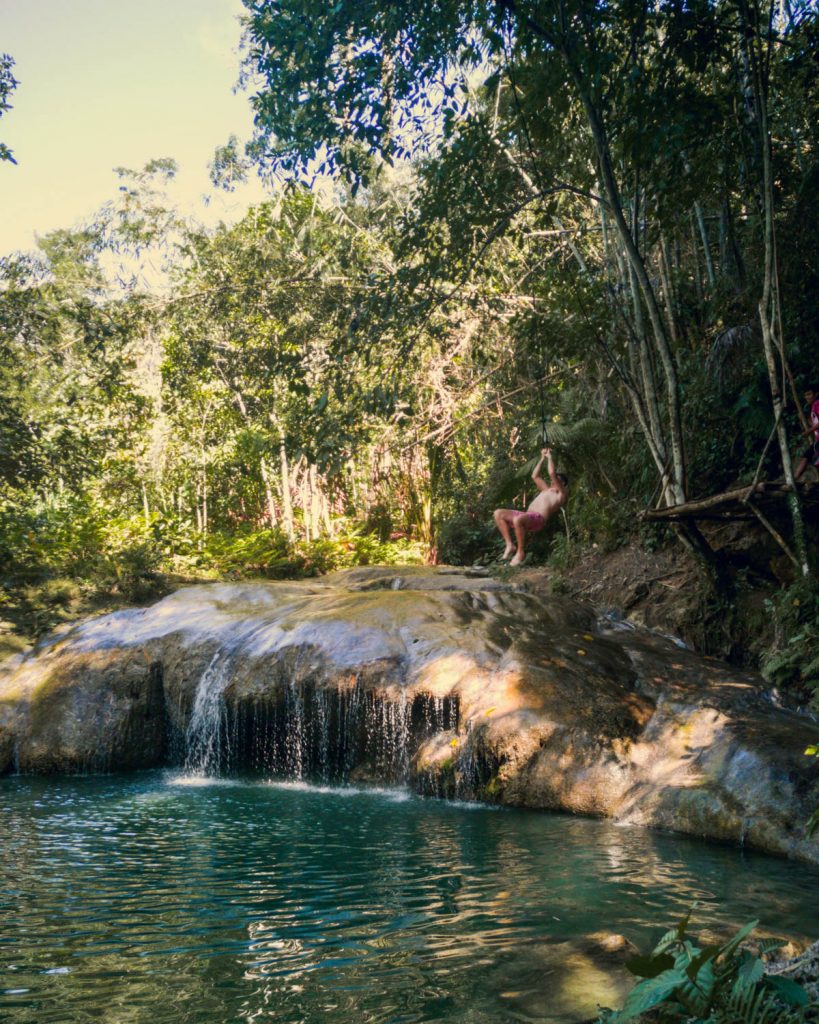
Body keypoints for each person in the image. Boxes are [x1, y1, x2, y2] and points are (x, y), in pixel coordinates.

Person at [493, 448, 568, 566]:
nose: (553, 480)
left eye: (557, 479)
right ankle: (509, 545)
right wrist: (542, 458)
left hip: (538, 519)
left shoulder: (561, 494)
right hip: (526, 515)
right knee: (498, 513)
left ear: (562, 483)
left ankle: (520, 552)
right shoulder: (546, 490)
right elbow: (535, 476)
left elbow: (551, 473)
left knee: (518, 520)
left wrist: (550, 457)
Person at [794, 385, 819, 482]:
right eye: (805, 395)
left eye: (809, 394)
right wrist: (803, 419)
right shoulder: (813, 407)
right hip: (817, 440)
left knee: (810, 457)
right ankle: (794, 479)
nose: (807, 397)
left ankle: (795, 479)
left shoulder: (817, 404)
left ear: (816, 394)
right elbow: (815, 424)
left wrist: (808, 431)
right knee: (806, 456)